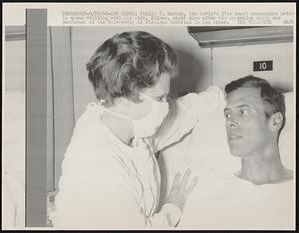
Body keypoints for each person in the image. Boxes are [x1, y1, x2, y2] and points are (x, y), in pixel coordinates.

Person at [49, 31, 225, 229]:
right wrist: (173, 208)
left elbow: (184, 111)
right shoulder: (98, 165)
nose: (165, 106)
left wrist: (225, 96)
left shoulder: (129, 124)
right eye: (160, 98)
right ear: (127, 94)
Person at [177, 76, 294, 229]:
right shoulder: (206, 197)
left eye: (243, 111)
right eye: (228, 114)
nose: (229, 121)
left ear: (275, 121)